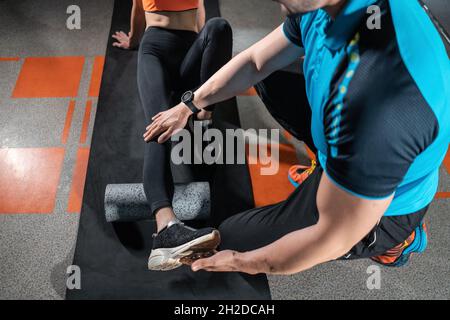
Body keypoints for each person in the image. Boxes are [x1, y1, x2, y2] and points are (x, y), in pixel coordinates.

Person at [144, 0, 450, 274]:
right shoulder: (318, 7)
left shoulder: (378, 105)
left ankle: (397, 241)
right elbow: (255, 63)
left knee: (232, 238)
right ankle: (329, 164)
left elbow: (330, 237)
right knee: (272, 74)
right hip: (355, 142)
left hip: (387, 207)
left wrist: (242, 262)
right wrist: (190, 104)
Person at [112, 0, 233, 271]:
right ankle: (165, 228)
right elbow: (137, 8)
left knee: (218, 27)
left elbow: (201, 11)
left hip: (191, 50)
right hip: (155, 50)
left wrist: (204, 67)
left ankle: (203, 113)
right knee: (158, 128)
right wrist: (133, 41)